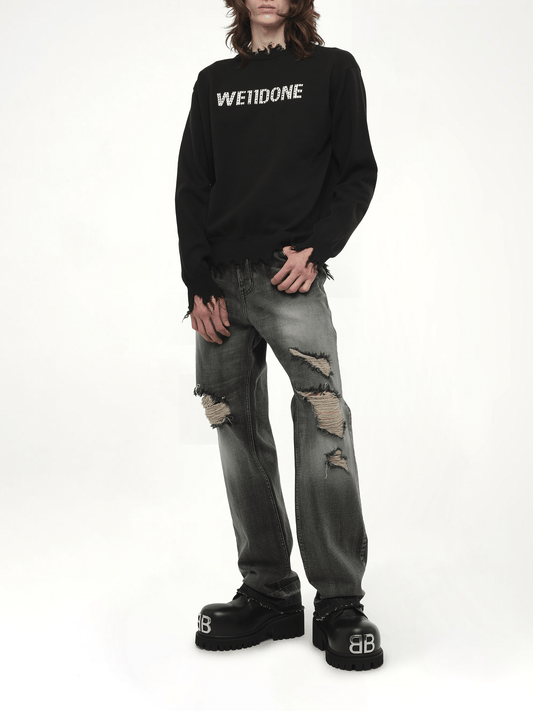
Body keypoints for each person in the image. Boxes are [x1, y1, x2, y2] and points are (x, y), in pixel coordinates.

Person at [175, 0, 383, 671]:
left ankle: (339, 602)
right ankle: (268, 592)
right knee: (233, 426)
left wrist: (319, 248)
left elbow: (357, 172)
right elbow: (193, 186)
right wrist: (196, 281)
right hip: (219, 287)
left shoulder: (331, 71)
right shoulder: (214, 83)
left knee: (324, 423)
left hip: (289, 276)